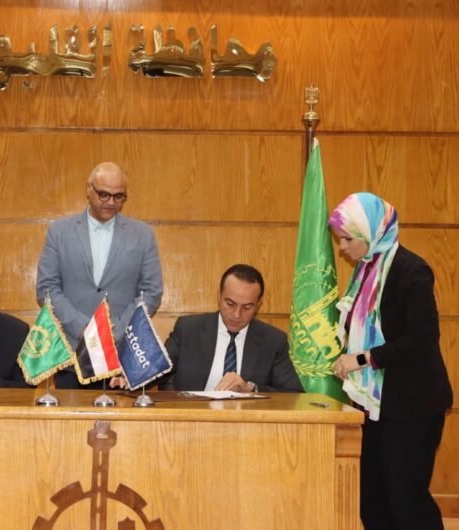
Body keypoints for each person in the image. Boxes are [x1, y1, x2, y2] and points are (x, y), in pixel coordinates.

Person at [329, 192, 452, 530]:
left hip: (413, 406)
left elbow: (422, 339)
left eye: (347, 239)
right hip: (373, 406)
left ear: (371, 232)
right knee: (371, 499)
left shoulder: (412, 270)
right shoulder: (366, 270)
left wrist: (362, 359)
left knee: (406, 501)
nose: (342, 248)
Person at [36, 162, 163, 389]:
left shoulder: (143, 235)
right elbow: (47, 288)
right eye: (104, 194)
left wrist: (114, 331)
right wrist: (84, 328)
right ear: (88, 189)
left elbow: (151, 292)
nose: (111, 203)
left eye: (119, 196)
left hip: (120, 356)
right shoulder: (60, 231)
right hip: (73, 356)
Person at [159, 264, 303, 393]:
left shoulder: (273, 341)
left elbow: (293, 393)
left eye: (247, 307)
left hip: (246, 414)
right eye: (230, 303)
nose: (236, 315)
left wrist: (251, 388)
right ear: (219, 297)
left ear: (258, 306)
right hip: (193, 413)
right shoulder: (188, 329)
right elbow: (153, 372)